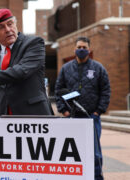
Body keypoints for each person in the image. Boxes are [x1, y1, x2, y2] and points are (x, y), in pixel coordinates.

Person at [55, 36, 110, 180]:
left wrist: (98, 111)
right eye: (79, 47)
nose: (81, 50)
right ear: (74, 49)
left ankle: (97, 176)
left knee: (94, 152)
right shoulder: (66, 68)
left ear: (89, 49)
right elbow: (58, 89)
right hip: (71, 118)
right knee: (71, 150)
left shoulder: (98, 68)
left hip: (91, 117)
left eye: (84, 48)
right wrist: (64, 111)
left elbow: (106, 90)